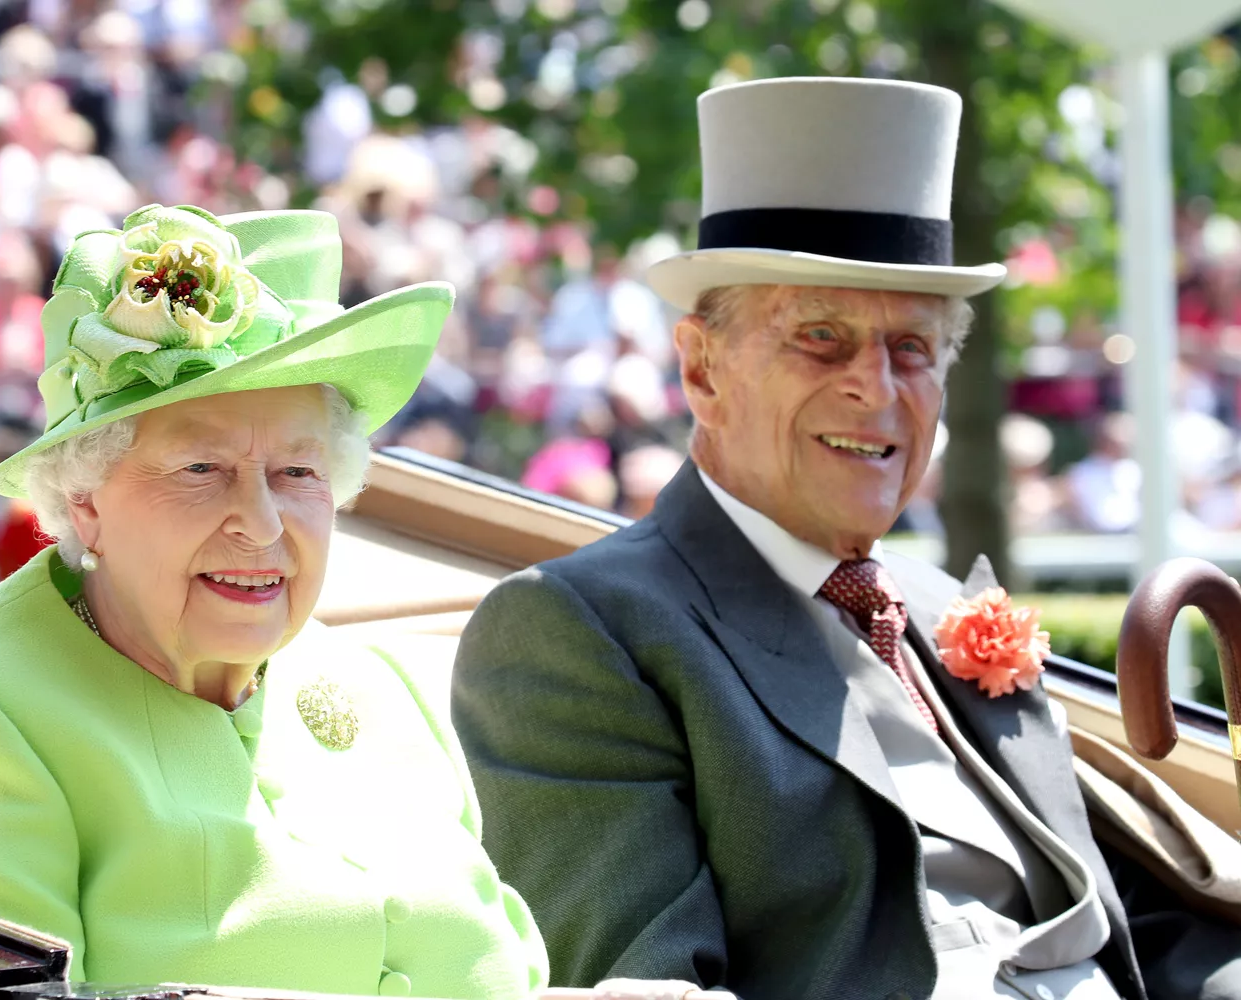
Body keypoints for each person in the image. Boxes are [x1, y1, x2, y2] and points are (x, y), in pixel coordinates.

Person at [452, 78, 1241, 1000]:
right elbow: (648, 983)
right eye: (821, 338)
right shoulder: (578, 631)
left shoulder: (941, 604)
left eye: (912, 347)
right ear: (702, 371)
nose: (877, 386)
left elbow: (1117, 918)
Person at [0, 204, 547, 996]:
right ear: (85, 502)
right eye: (200, 470)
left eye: (297, 473)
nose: (261, 523)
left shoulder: (379, 686)